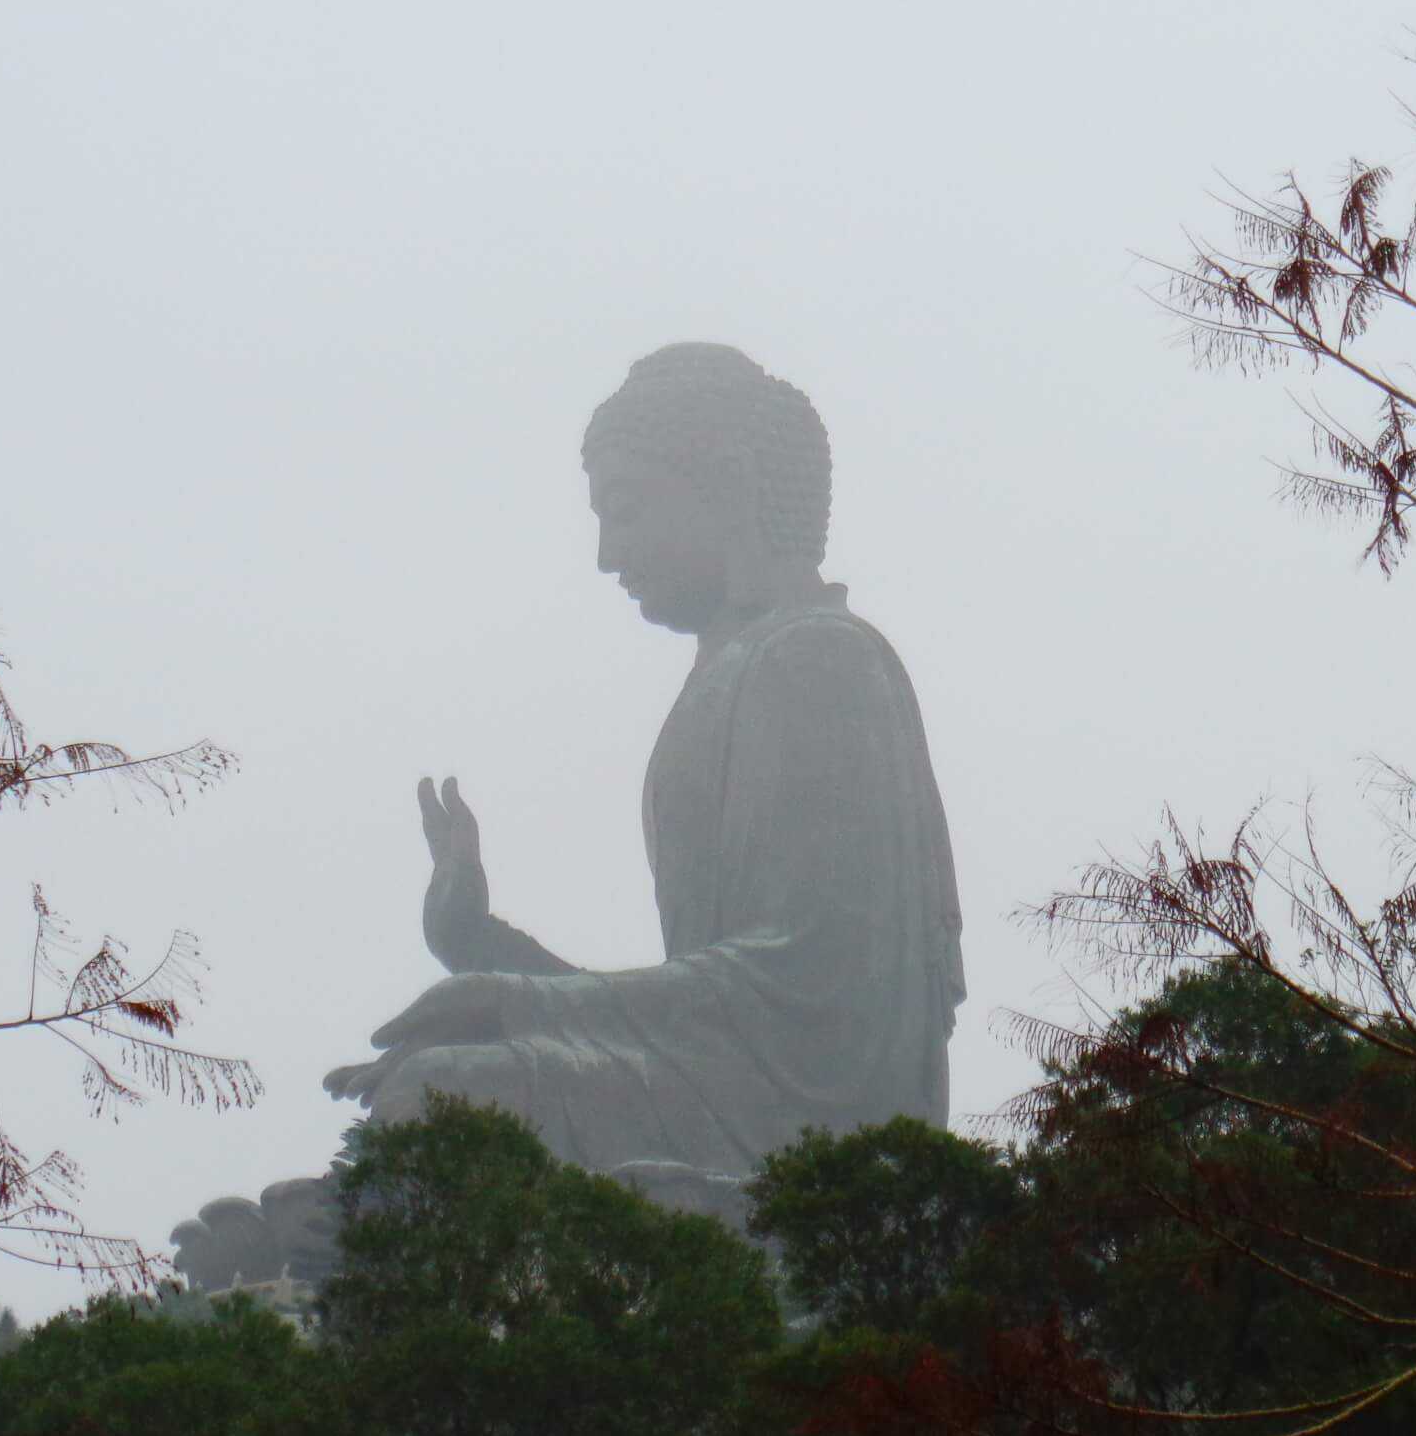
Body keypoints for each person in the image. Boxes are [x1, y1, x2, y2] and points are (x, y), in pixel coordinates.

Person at [324, 342, 964, 1177]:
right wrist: (482, 946)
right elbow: (708, 1007)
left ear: (729, 483)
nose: (606, 554)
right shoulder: (735, 675)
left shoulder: (818, 659)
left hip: (820, 1127)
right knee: (439, 1091)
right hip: (731, 1086)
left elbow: (809, 989)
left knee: (440, 1095)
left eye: (625, 510)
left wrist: (517, 1001)